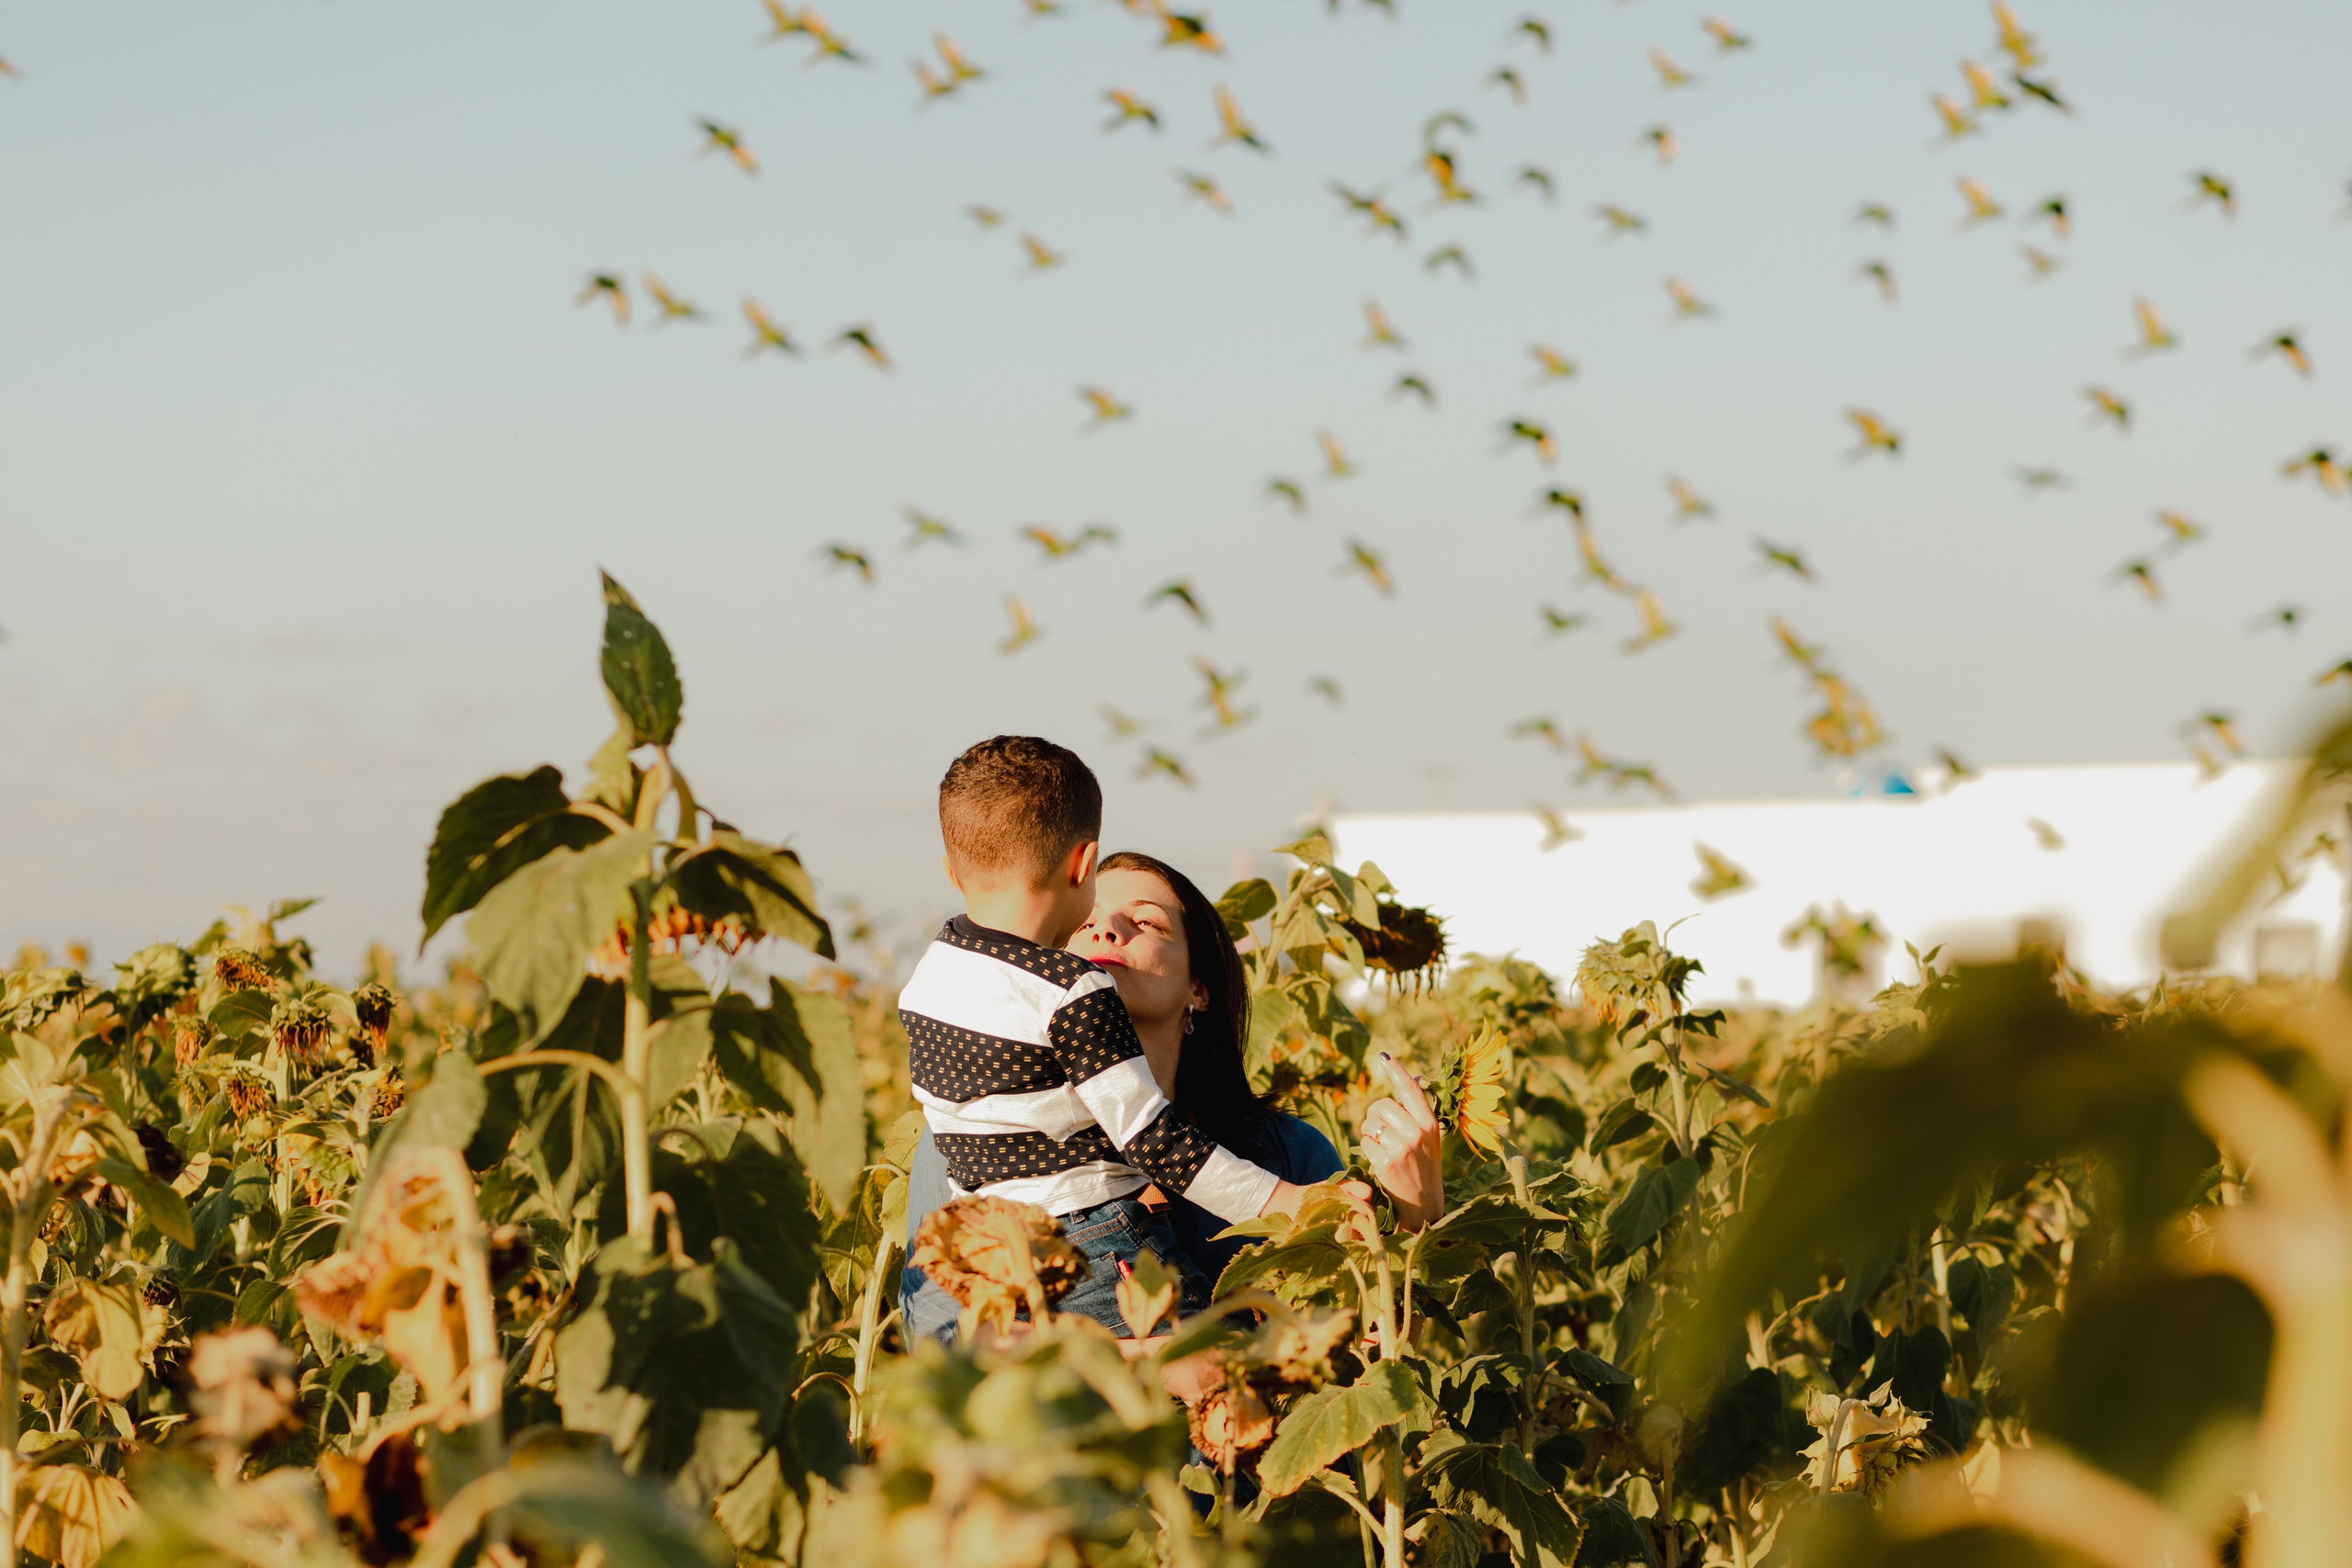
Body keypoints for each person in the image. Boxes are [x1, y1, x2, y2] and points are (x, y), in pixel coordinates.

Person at [900, 794, 1443, 1344]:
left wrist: (1414, 1211)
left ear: (1199, 988)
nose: (1106, 930)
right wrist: (1168, 1360)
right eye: (1084, 921)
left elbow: (1368, 1353)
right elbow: (940, 1337)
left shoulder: (1283, 1154)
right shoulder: (976, 1133)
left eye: (1146, 922)